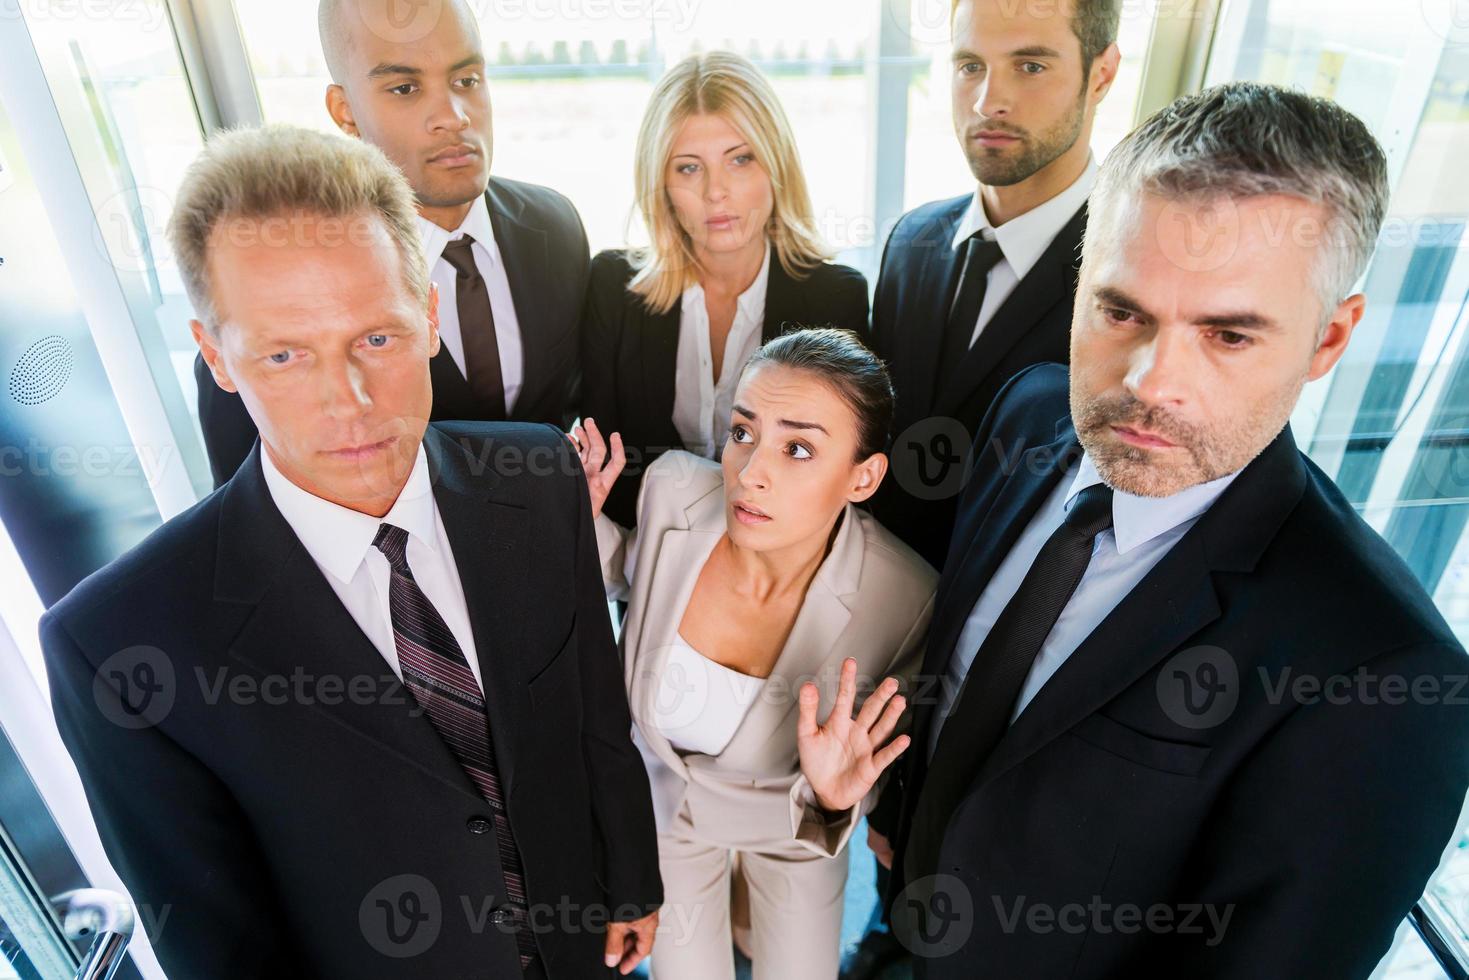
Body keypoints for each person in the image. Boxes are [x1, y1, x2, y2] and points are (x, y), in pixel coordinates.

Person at [845, 83, 1469, 978]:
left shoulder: (1378, 677)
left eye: (1226, 335)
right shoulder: (1024, 416)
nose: (1148, 381)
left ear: (1328, 341)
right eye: (1121, 311)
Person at [42, 125, 660, 979]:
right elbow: (220, 948)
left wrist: (628, 880)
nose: (351, 401)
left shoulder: (540, 473)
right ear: (218, 357)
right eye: (286, 355)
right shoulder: (114, 645)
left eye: (376, 336)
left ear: (430, 315)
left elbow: (594, 710)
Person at [572, 328, 932, 979]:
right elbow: (632, 569)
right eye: (743, 433)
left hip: (790, 828)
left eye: (797, 448)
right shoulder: (674, 489)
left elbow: (875, 764)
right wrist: (583, 520)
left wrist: (834, 796)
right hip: (668, 810)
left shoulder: (905, 599)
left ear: (862, 476)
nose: (751, 473)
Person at [193, 0, 590, 487]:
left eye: (466, 80)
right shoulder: (262, 324)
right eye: (405, 88)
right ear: (346, 112)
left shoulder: (557, 224)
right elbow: (249, 521)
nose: (453, 116)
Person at [867, 0, 1121, 571]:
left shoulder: (1130, 286)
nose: (987, 102)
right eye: (969, 66)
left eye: (1030, 66)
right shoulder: (911, 239)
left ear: (1101, 74)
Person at [580, 52, 870, 528]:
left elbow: (829, 477)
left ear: (776, 165)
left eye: (740, 159)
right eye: (689, 168)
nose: (717, 191)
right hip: (641, 569)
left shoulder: (836, 298)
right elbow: (605, 469)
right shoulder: (614, 287)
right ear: (661, 183)